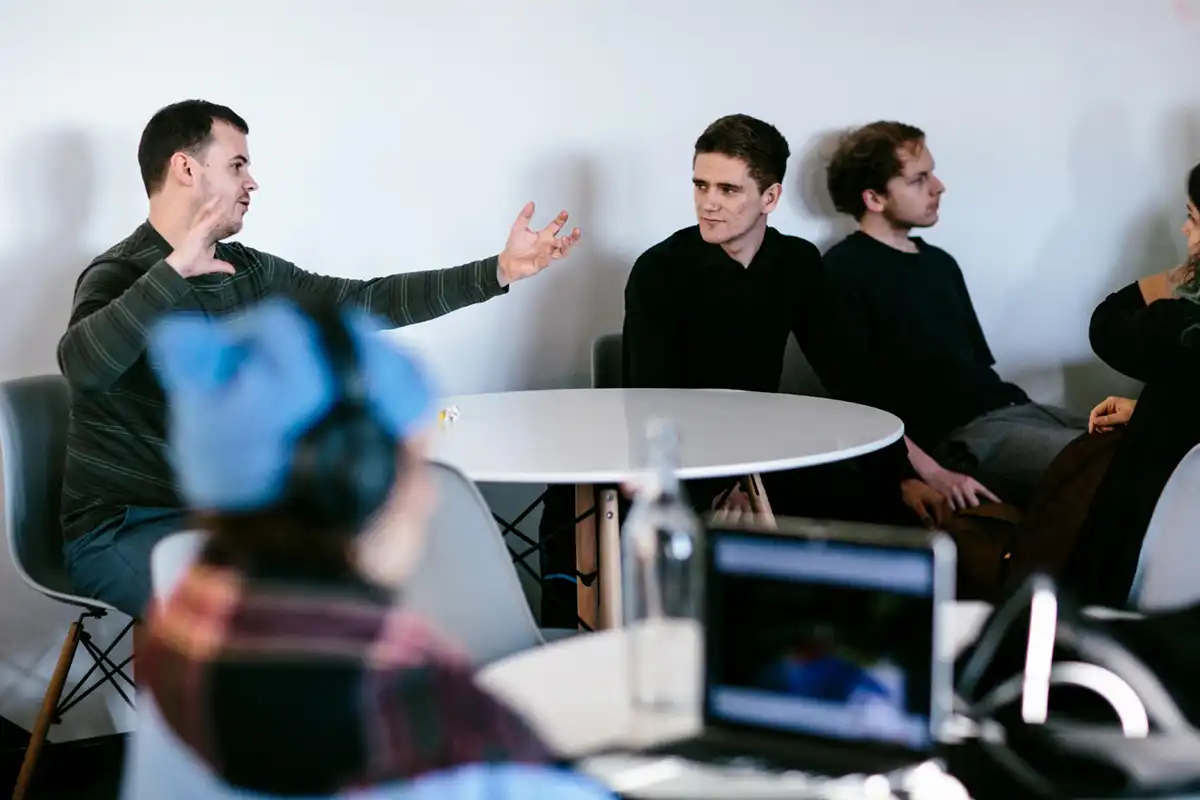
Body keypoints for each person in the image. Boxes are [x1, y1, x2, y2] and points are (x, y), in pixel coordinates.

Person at [57, 99, 581, 619]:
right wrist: (171, 273)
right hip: (123, 527)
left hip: (229, 522)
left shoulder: (246, 270)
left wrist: (498, 271)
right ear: (186, 168)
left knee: (356, 595)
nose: (252, 182)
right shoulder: (118, 274)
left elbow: (365, 301)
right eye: (237, 165)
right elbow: (84, 367)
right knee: (267, 627)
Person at [135, 298, 587, 795]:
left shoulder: (177, 640)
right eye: (412, 466)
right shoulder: (430, 721)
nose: (428, 497)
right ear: (351, 478)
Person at [621, 114, 948, 527]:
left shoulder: (796, 262)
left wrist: (902, 474)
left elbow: (850, 372)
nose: (708, 202)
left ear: (770, 197)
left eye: (728, 189)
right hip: (685, 469)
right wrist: (719, 487)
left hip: (763, 458)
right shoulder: (659, 270)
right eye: (701, 185)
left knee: (896, 517)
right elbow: (652, 404)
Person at [821, 121, 1086, 511]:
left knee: (1148, 448)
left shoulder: (940, 263)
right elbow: (856, 402)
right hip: (964, 439)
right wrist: (927, 473)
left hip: (1016, 409)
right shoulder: (842, 272)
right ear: (874, 198)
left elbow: (975, 370)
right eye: (918, 179)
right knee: (1105, 468)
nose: (938, 186)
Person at [1058, 163, 1200, 607]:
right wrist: (1153, 410)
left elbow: (1106, 325)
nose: (1183, 228)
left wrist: (1182, 274)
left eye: (1194, 218)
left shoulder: (1180, 329)